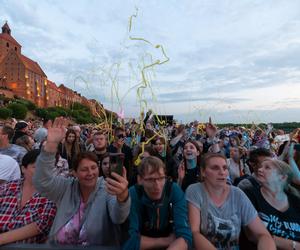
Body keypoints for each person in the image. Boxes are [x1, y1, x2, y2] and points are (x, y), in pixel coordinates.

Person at [33, 117, 131, 246]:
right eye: (84, 169)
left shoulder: (107, 188)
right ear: (75, 172)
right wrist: (51, 145)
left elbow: (118, 217)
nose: (90, 173)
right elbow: (42, 182)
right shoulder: (66, 187)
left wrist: (123, 197)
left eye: (94, 168)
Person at [186, 153, 275, 250]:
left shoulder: (237, 194)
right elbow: (194, 232)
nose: (222, 172)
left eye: (225, 168)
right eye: (215, 168)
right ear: (203, 172)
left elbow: (262, 234)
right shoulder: (195, 190)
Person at [123, 156, 192, 250]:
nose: (157, 186)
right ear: (140, 180)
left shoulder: (173, 190)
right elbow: (129, 242)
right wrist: (166, 240)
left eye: (161, 178)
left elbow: (185, 236)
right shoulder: (134, 194)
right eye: (150, 179)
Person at [0, 150, 56, 244]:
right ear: (23, 169)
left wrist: (2, 239)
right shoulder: (7, 188)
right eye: (36, 167)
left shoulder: (51, 193)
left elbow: (42, 224)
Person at [244, 159, 300, 250]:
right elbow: (252, 235)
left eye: (267, 167)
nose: (259, 169)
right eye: (261, 166)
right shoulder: (250, 195)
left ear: (282, 177)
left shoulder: (296, 202)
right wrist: (294, 245)